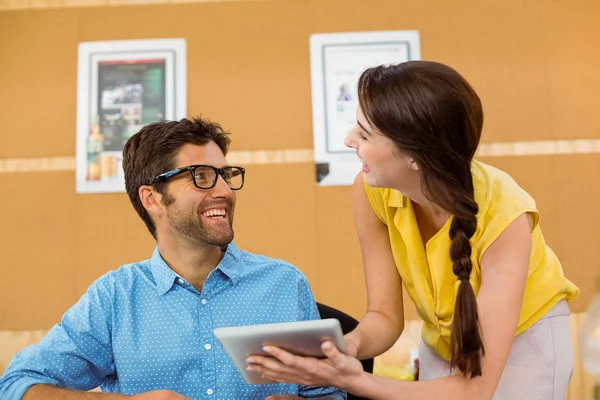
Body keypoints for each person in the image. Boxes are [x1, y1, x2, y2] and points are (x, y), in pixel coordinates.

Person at [246, 61, 580, 400]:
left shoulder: (506, 217)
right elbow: (385, 317)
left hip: (526, 341)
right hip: (443, 338)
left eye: (364, 134)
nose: (349, 140)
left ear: (415, 156)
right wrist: (347, 347)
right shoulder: (369, 190)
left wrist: (353, 380)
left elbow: (475, 389)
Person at [0, 117, 345, 400]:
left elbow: (331, 393)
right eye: (201, 176)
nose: (224, 190)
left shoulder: (284, 284)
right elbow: (16, 385)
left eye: (226, 175)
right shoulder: (114, 299)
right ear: (152, 199)